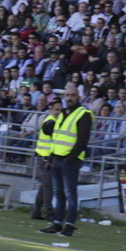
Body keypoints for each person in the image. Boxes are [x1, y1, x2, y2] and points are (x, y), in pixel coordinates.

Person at [40, 88, 93, 237]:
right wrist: (51, 158)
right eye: (67, 95)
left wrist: (71, 157)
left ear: (79, 96)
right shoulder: (63, 113)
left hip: (69, 160)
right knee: (59, 194)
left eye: (72, 95)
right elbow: (56, 137)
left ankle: (69, 226)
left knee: (70, 194)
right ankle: (57, 224)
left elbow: (83, 139)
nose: (69, 98)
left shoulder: (84, 114)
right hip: (57, 158)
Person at [31, 100, 61, 221]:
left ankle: (36, 212)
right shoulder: (51, 123)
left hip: (44, 157)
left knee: (44, 186)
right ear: (51, 110)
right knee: (48, 188)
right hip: (46, 159)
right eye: (56, 110)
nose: (59, 112)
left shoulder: (51, 120)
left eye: (60, 110)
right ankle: (49, 214)